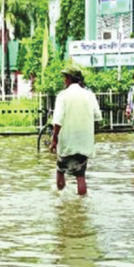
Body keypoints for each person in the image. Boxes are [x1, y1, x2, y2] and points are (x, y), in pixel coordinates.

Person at [50, 65, 102, 196]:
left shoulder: (63, 95)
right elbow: (97, 117)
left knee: (60, 170)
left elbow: (58, 120)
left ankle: (61, 198)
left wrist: (54, 139)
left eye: (64, 77)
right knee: (80, 175)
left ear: (68, 79)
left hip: (67, 141)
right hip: (84, 142)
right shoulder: (89, 95)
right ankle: (82, 203)